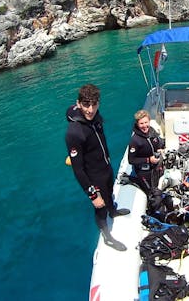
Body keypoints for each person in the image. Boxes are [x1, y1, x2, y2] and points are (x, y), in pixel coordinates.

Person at [65, 84, 130, 251]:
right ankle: (107, 236)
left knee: (109, 193)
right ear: (78, 103)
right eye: (86, 104)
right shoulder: (74, 133)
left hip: (106, 167)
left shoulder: (95, 117)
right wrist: (93, 195)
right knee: (100, 207)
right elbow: (78, 170)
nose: (90, 109)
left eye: (94, 104)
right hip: (93, 176)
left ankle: (113, 211)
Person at [127, 109, 165, 194]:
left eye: (146, 122)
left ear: (149, 121)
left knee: (160, 187)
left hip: (156, 167)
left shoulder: (151, 131)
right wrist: (148, 160)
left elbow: (157, 142)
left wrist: (160, 148)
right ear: (137, 124)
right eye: (141, 123)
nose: (144, 126)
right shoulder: (135, 141)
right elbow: (131, 160)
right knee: (151, 192)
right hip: (144, 172)